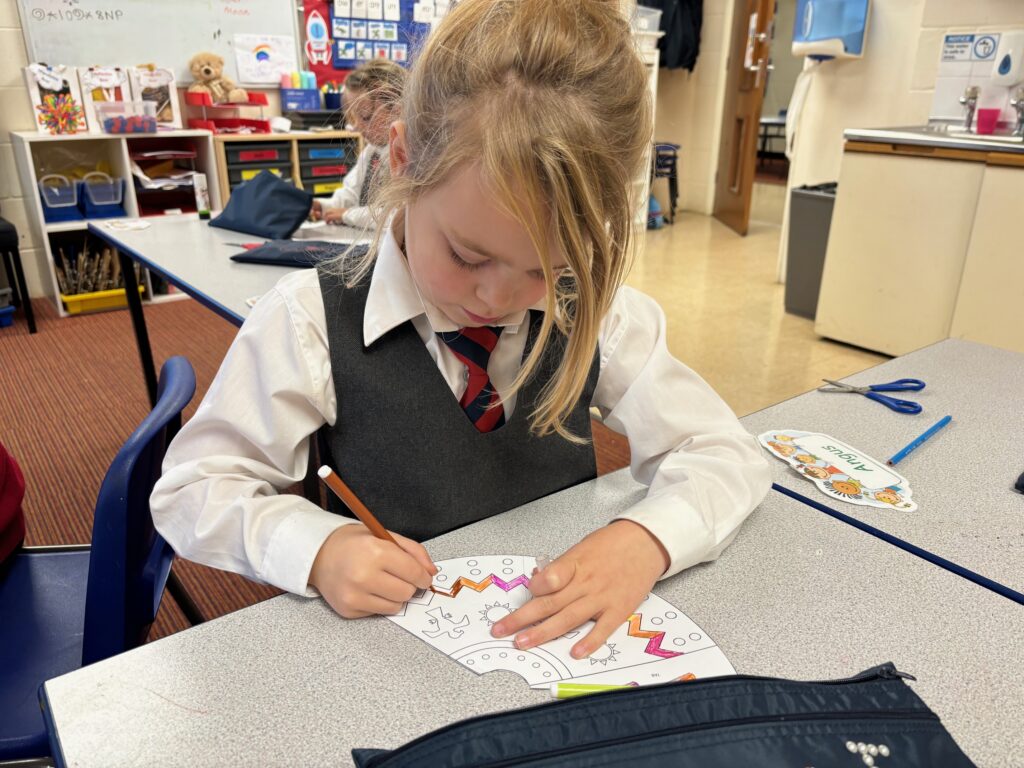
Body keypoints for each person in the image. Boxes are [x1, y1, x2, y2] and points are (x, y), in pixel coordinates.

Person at [151, 0, 771, 661]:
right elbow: (195, 489)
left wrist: (648, 540)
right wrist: (316, 547)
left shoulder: (594, 310)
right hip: (390, 656)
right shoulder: (307, 322)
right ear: (402, 160)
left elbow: (725, 453)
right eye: (469, 256)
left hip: (555, 648)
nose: (497, 297)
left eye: (545, 266)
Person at [309, 59, 404, 229]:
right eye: (355, 117)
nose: (358, 126)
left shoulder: (413, 155)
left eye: (365, 116)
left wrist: (347, 215)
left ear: (397, 106)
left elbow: (399, 216)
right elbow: (351, 193)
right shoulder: (372, 151)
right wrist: (324, 206)